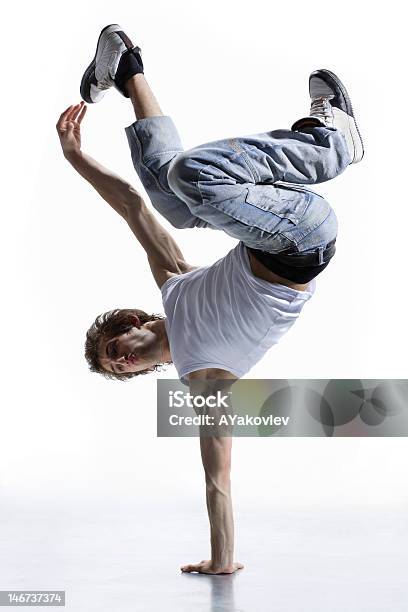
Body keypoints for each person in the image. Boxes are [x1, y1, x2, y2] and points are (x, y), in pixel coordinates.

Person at [56, 24, 363, 574]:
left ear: (130, 321)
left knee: (168, 195)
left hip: (268, 227)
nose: (123, 360)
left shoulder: (174, 282)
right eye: (120, 368)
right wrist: (223, 560)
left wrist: (74, 156)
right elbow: (217, 477)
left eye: (114, 348)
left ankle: (127, 68)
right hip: (302, 239)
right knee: (192, 175)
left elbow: (129, 203)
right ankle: (329, 141)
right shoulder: (204, 378)